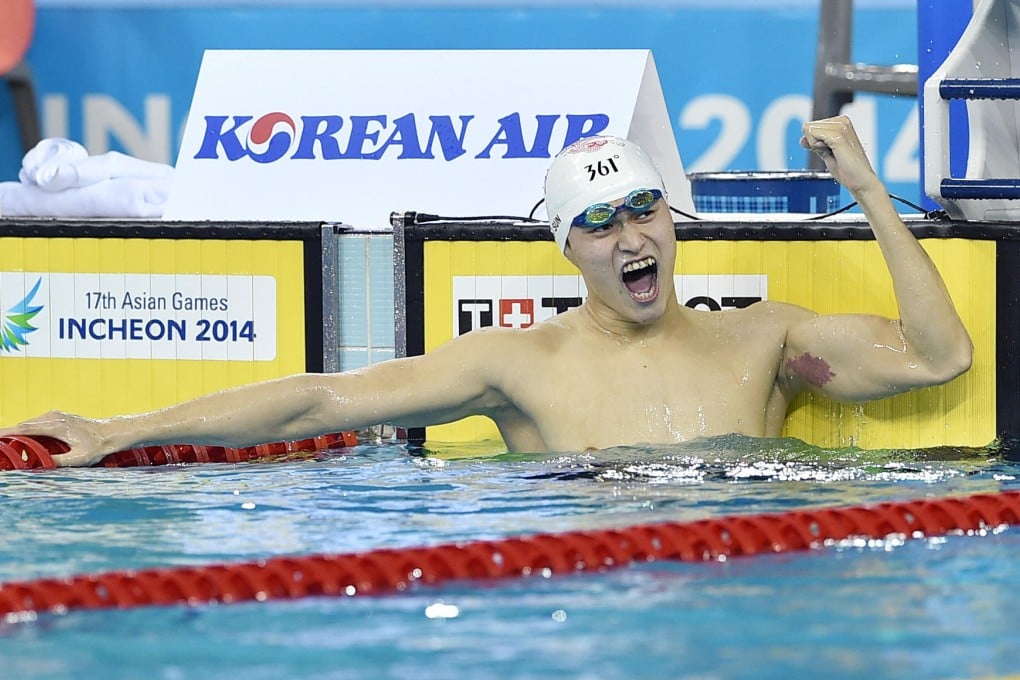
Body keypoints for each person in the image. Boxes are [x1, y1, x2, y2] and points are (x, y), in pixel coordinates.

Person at [0, 116, 973, 466]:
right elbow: (322, 397)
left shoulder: (766, 339)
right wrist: (118, 429)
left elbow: (941, 357)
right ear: (566, 248)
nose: (633, 236)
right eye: (601, 223)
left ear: (671, 220)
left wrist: (870, 192)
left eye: (646, 210)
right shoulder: (520, 362)